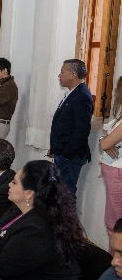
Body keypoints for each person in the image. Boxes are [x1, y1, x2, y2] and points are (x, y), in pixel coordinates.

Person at [49, 59, 94, 196]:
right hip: (62, 152)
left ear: (73, 74)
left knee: (66, 194)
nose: (59, 75)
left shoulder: (82, 96)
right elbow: (65, 125)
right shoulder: (73, 93)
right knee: (59, 193)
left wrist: (66, 154)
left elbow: (82, 130)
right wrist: (55, 149)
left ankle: (68, 213)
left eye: (62, 72)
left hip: (70, 157)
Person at [100, 76, 122, 244]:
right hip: (114, 170)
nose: (114, 93)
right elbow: (106, 139)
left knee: (115, 223)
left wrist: (105, 142)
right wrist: (105, 141)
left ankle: (116, 257)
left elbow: (105, 143)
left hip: (117, 172)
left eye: (117, 89)